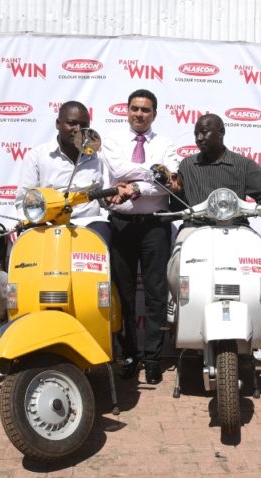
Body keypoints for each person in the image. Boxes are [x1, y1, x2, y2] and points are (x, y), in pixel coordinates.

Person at [101, 89, 180, 385]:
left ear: (154, 114)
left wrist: (135, 187)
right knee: (123, 294)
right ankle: (129, 355)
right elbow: (118, 169)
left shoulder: (165, 144)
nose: (139, 114)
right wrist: (154, 174)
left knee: (156, 294)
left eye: (145, 110)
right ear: (127, 110)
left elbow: (170, 183)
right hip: (121, 225)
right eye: (134, 108)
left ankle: (153, 358)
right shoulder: (112, 141)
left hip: (155, 226)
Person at [166, 113, 261, 297]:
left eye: (205, 132)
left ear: (221, 132)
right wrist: (173, 192)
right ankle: (178, 306)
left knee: (258, 261)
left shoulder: (243, 164)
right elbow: (178, 206)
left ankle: (254, 305)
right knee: (178, 263)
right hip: (195, 228)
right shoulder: (187, 165)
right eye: (196, 134)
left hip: (236, 228)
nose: (199, 138)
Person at [17, 101, 111, 239]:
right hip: (47, 223)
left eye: (84, 125)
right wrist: (32, 221)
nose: (78, 129)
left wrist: (111, 198)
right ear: (58, 124)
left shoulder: (98, 158)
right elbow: (24, 199)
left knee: (104, 234)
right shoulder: (36, 156)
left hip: (89, 222)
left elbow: (103, 196)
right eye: (72, 123)